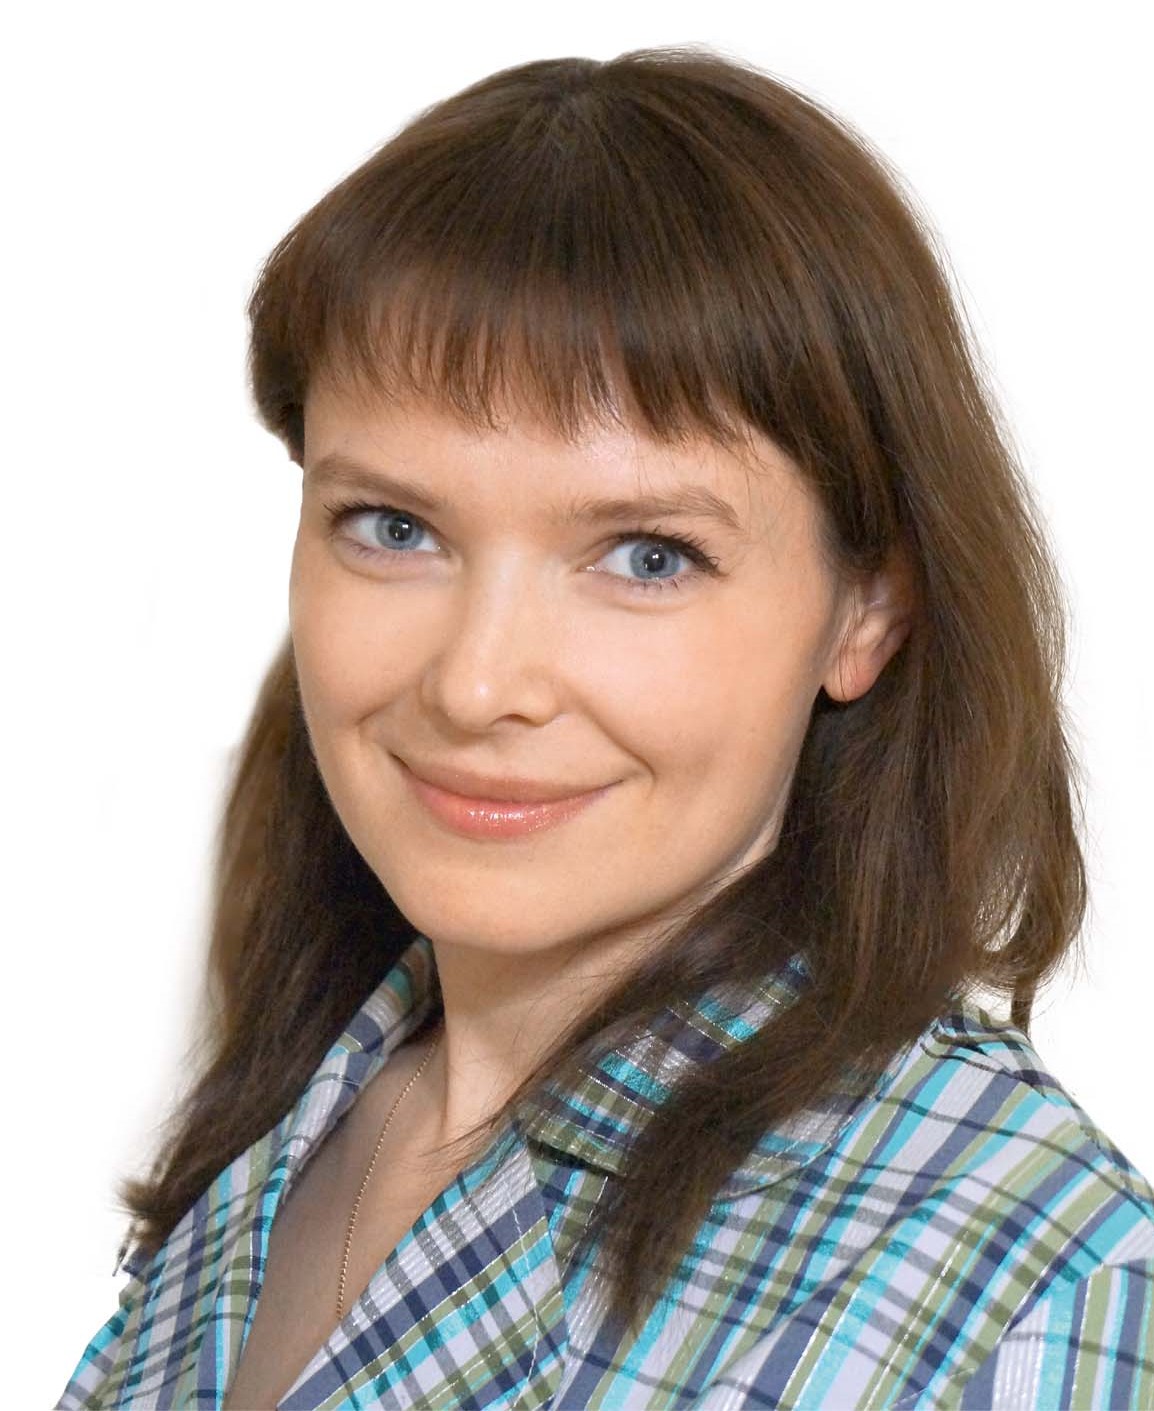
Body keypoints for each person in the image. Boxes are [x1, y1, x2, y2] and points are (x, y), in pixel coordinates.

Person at [59, 46, 1154, 1411]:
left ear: (865, 610)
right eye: (392, 528)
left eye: (646, 557)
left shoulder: (1027, 1285)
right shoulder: (284, 1134)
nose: (476, 685)